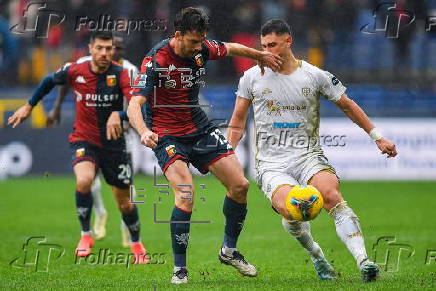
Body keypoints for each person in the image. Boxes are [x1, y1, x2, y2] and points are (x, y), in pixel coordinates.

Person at [227, 19, 398, 282]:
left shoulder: (314, 75)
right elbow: (238, 119)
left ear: (288, 41)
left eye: (272, 45)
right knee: (292, 209)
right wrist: (228, 153)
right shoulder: (251, 77)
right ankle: (317, 256)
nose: (266, 51)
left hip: (308, 155)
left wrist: (377, 137)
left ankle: (364, 261)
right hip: (272, 163)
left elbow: (348, 105)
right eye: (262, 46)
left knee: (331, 195)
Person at [127, 7, 282, 284]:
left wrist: (260, 56)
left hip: (199, 127)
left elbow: (231, 47)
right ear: (178, 35)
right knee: (185, 194)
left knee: (240, 185)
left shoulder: (203, 48)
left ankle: (229, 250)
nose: (199, 47)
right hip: (166, 134)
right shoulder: (156, 60)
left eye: (201, 41)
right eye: (193, 42)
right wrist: (143, 131)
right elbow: (134, 104)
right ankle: (179, 270)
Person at [8, 31, 148, 264]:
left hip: (114, 144)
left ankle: (136, 244)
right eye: (100, 48)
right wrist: (29, 106)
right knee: (84, 180)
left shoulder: (122, 74)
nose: (104, 53)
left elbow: (137, 108)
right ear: (90, 48)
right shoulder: (76, 70)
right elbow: (48, 82)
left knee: (125, 202)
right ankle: (85, 236)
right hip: (84, 139)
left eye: (108, 49)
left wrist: (119, 113)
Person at [46, 34, 138, 247]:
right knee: (88, 180)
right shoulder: (83, 65)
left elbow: (137, 104)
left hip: (122, 133)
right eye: (111, 48)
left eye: (118, 48)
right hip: (91, 134)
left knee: (124, 188)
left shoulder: (131, 71)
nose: (115, 52)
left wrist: (134, 127)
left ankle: (127, 228)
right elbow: (65, 82)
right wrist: (57, 107)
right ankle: (99, 213)